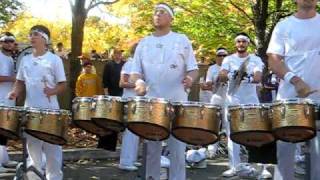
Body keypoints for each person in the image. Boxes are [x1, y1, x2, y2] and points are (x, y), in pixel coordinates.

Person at [131, 3, 198, 179]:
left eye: (162, 12)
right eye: (155, 12)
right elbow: (134, 72)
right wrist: (138, 82)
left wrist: (190, 78)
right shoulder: (144, 43)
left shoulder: (181, 39)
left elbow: (193, 68)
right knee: (152, 149)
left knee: (177, 149)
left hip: (177, 101)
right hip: (152, 103)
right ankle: (152, 177)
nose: (157, 15)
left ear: (171, 18)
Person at [267, 0, 320, 179]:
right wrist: (295, 81)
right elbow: (273, 60)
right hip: (289, 99)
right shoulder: (284, 26)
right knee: (285, 154)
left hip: (319, 99)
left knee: (318, 156)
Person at [8, 25, 67, 180]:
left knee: (52, 149)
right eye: (30, 34)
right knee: (32, 148)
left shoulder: (55, 60)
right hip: (30, 110)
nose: (31, 37)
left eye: (35, 34)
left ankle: (54, 177)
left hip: (50, 110)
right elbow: (20, 81)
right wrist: (15, 92)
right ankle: (34, 178)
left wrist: (51, 91)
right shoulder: (25, 60)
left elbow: (63, 85)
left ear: (45, 39)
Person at [218, 32, 272, 179]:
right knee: (232, 133)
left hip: (250, 100)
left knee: (256, 133)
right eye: (238, 41)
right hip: (232, 99)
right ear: (236, 44)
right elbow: (222, 74)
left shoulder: (254, 59)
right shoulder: (228, 59)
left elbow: (257, 77)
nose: (241, 44)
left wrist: (245, 77)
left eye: (244, 41)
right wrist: (230, 75)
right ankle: (234, 166)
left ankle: (262, 167)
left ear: (247, 43)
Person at [97, 48, 125, 152]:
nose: (118, 55)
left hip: (122, 94)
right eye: (116, 53)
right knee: (109, 119)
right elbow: (105, 80)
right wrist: (107, 94)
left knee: (119, 120)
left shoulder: (124, 64)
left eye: (119, 53)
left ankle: (119, 142)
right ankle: (106, 144)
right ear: (113, 55)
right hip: (111, 94)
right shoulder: (109, 65)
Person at [118, 43, 140, 171]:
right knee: (130, 132)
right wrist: (138, 84)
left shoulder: (139, 65)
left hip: (138, 101)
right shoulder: (129, 64)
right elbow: (122, 83)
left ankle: (132, 159)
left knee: (136, 131)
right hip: (130, 100)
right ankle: (125, 162)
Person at [0, 32, 19, 172]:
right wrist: (13, 79)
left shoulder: (12, 59)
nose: (8, 43)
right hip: (0, 100)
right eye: (5, 41)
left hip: (9, 101)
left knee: (5, 130)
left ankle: (4, 160)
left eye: (10, 41)